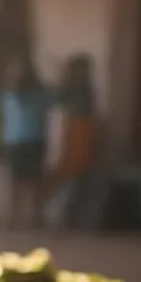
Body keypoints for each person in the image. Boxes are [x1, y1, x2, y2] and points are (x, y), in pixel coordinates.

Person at [0, 54, 54, 229]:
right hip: (19, 141)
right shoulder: (11, 94)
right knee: (19, 181)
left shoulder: (29, 95)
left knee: (32, 181)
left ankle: (33, 216)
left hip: (29, 140)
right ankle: (17, 216)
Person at [49, 53, 98, 229]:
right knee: (69, 177)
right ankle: (63, 217)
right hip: (72, 135)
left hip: (80, 135)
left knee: (75, 179)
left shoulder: (83, 89)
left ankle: (67, 218)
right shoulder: (77, 89)